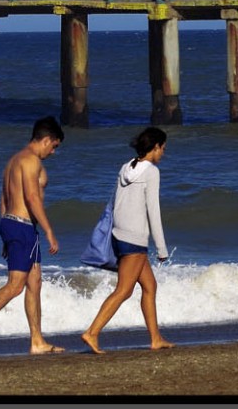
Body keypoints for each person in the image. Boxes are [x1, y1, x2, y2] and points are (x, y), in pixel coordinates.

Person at [0, 116, 65, 358]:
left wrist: (6, 232)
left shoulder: (13, 161)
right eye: (54, 146)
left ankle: (37, 340)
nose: (53, 152)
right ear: (46, 140)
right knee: (16, 286)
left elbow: (4, 200)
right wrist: (49, 230)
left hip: (14, 224)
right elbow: (32, 197)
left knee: (34, 281)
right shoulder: (30, 161)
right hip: (22, 226)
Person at [81, 127, 174, 354]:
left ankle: (155, 338)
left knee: (150, 286)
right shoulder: (151, 172)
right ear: (154, 148)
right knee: (124, 290)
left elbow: (114, 203)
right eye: (162, 148)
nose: (163, 153)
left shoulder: (126, 166)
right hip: (134, 239)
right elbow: (154, 211)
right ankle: (92, 332)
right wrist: (161, 248)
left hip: (120, 234)